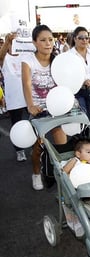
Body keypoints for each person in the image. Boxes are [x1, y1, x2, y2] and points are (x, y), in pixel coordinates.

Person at [22, 25, 67, 190]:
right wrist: (30, 105)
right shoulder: (28, 60)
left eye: (50, 39)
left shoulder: (58, 59)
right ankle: (36, 173)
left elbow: (66, 81)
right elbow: (26, 84)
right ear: (35, 42)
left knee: (62, 145)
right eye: (43, 40)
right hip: (37, 109)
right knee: (38, 146)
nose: (48, 43)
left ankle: (62, 174)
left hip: (55, 108)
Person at [0, 32, 28, 161]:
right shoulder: (5, 58)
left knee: (35, 124)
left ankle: (39, 149)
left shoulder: (25, 56)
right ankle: (20, 151)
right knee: (17, 126)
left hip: (28, 97)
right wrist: (7, 41)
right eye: (12, 44)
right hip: (14, 100)